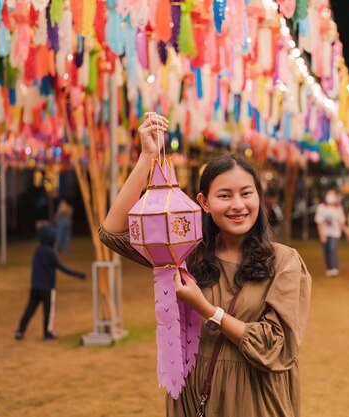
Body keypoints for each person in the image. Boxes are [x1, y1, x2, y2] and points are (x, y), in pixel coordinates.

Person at [98, 112, 311, 417]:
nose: (238, 205)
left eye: (246, 194)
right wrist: (147, 157)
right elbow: (113, 231)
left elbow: (275, 348)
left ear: (258, 198)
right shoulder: (184, 255)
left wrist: (207, 310)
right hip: (195, 397)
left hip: (256, 401)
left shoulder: (285, 262)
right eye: (225, 195)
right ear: (204, 202)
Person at [15, 225, 86, 341]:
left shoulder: (38, 251)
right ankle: (47, 332)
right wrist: (78, 275)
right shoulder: (50, 253)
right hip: (47, 287)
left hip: (35, 286)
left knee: (30, 308)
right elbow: (62, 267)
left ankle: (20, 331)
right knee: (48, 310)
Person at [315, 188, 348, 277]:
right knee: (326, 251)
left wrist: (347, 231)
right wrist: (321, 235)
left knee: (333, 249)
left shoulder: (338, 208)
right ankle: (329, 268)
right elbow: (319, 222)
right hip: (325, 233)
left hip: (335, 233)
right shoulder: (321, 207)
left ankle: (334, 268)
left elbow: (342, 222)